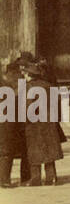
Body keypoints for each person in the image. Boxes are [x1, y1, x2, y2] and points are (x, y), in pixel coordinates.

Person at [22, 58, 63, 186]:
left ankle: (36, 178)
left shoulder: (28, 87)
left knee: (34, 150)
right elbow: (57, 103)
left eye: (25, 74)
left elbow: (27, 107)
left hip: (34, 124)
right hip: (49, 122)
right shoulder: (49, 85)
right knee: (49, 149)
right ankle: (51, 177)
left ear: (29, 75)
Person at [0, 55, 31, 187]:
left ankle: (5, 179)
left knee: (6, 152)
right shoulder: (19, 83)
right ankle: (23, 178)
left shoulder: (7, 82)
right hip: (15, 123)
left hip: (9, 123)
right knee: (20, 151)